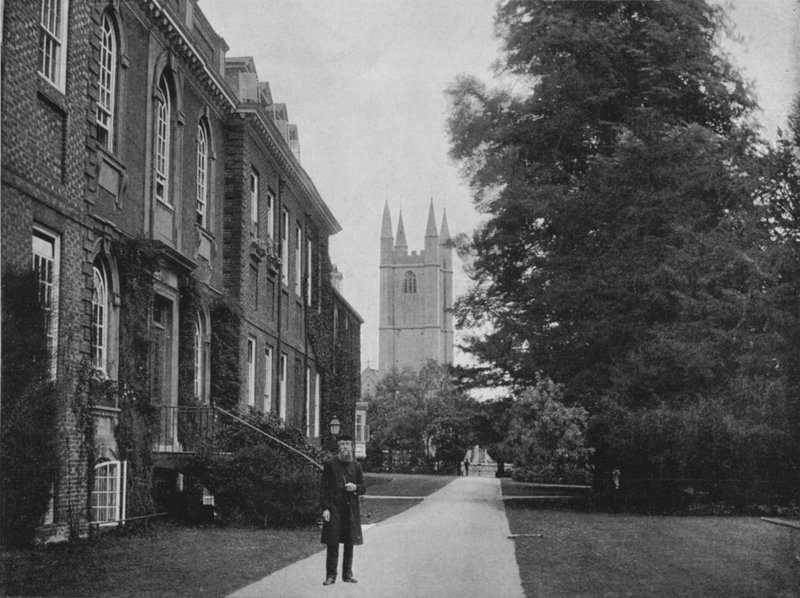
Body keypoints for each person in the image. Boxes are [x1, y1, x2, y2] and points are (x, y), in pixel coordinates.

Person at [320, 434, 366, 586]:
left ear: (352, 446)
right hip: (334, 509)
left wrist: (355, 487)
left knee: (349, 542)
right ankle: (330, 576)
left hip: (350, 510)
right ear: (338, 446)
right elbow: (324, 489)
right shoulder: (330, 465)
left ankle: (347, 574)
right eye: (342, 444)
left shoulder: (357, 466)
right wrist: (325, 509)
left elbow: (363, 488)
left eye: (347, 443)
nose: (345, 446)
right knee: (332, 543)